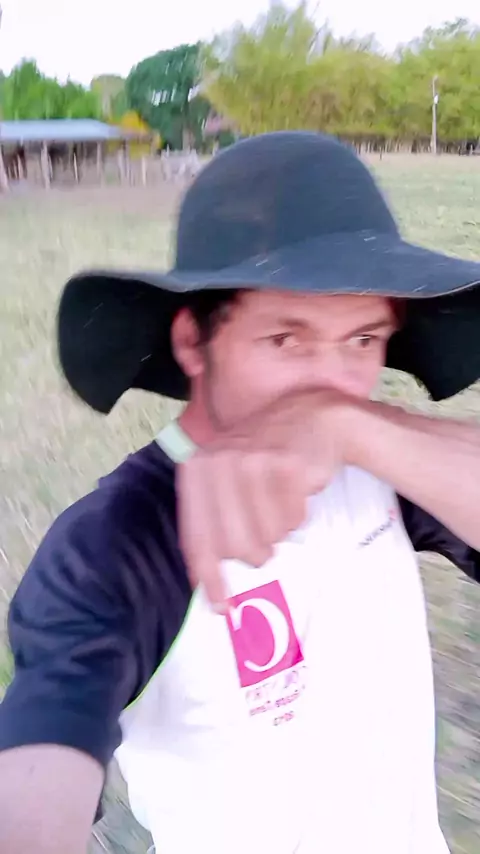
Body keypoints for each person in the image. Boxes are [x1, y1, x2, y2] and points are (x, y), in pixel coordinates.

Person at [1, 131, 480, 854]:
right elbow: (36, 783)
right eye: (286, 339)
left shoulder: (374, 462)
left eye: (362, 340)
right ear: (192, 341)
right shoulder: (119, 542)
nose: (334, 386)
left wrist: (348, 426)